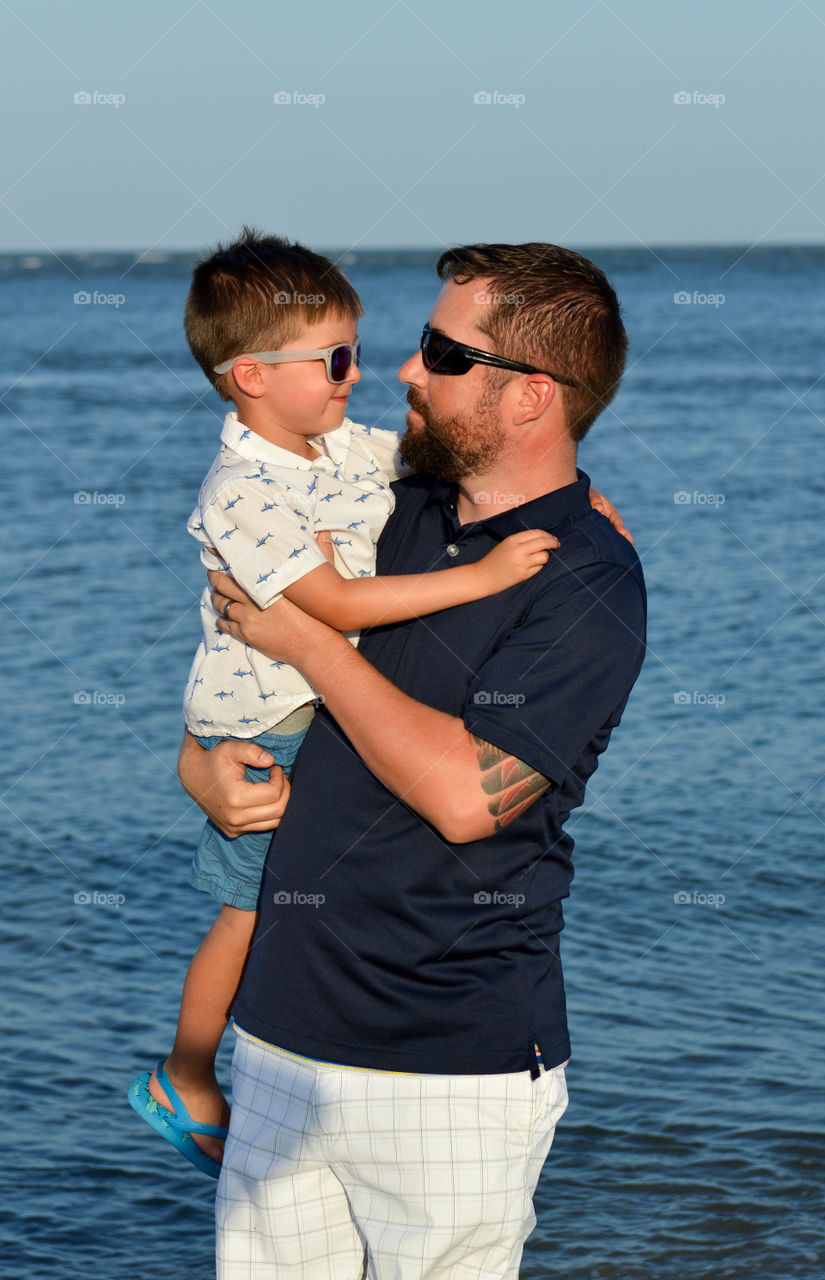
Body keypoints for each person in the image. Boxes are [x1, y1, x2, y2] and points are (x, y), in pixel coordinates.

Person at [181, 241, 647, 1279]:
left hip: (447, 1063)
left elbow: (463, 794)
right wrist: (197, 765)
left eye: (442, 350)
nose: (403, 368)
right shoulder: (392, 505)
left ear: (531, 395)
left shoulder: (588, 583)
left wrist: (303, 638)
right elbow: (235, 659)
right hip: (279, 1035)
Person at [127, 230, 560, 1179]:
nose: (356, 375)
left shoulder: (331, 444)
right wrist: (482, 578)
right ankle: (187, 1077)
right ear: (249, 376)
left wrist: (578, 494)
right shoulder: (242, 490)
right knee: (246, 917)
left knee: (290, 909)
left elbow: (430, 456)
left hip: (307, 709)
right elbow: (333, 605)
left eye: (355, 351)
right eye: (333, 359)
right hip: (260, 731)